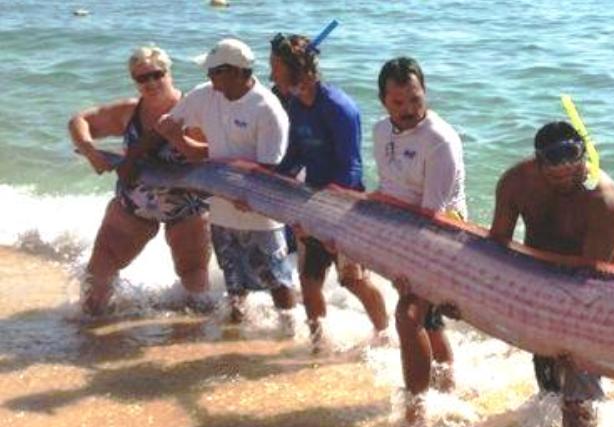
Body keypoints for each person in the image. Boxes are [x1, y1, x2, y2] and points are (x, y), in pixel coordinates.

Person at [489, 121, 614, 427]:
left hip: (596, 288)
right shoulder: (516, 182)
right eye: (554, 166)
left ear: (584, 156)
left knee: (578, 364)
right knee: (546, 369)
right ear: (537, 162)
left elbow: (591, 276)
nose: (566, 173)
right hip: (541, 284)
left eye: (573, 163)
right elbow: (496, 247)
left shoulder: (602, 199)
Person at [156, 38, 295, 323]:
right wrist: (169, 133)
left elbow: (269, 169)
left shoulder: (268, 109)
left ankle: (291, 330)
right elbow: (177, 127)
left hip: (259, 212)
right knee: (234, 284)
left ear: (236, 71)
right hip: (220, 211)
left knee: (278, 282)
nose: (208, 77)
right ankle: (235, 333)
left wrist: (247, 197)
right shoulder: (204, 95)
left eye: (214, 71)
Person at [68, 45, 210, 315]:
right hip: (133, 204)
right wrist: (90, 151)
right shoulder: (129, 111)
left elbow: (216, 154)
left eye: (157, 74)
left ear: (169, 73)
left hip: (187, 207)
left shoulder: (194, 110)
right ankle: (88, 324)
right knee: (101, 267)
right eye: (142, 78)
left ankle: (194, 337)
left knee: (193, 277)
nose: (151, 83)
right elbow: (79, 120)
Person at [269, 33, 389, 351]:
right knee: (309, 282)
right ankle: (318, 343)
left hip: (344, 209)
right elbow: (294, 156)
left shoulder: (338, 108)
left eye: (276, 68)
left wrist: (327, 218)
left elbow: (350, 169)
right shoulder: (295, 105)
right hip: (311, 204)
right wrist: (269, 185)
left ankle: (386, 335)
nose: (271, 75)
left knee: (353, 279)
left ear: (299, 70)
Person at [372, 56, 466, 427]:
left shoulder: (440, 140)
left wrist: (401, 264)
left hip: (440, 234)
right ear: (383, 102)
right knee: (427, 319)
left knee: (408, 318)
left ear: (424, 92)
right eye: (398, 103)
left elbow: (432, 215)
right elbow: (387, 188)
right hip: (398, 228)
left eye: (415, 99)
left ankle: (417, 412)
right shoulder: (381, 131)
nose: (409, 110)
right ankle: (448, 386)